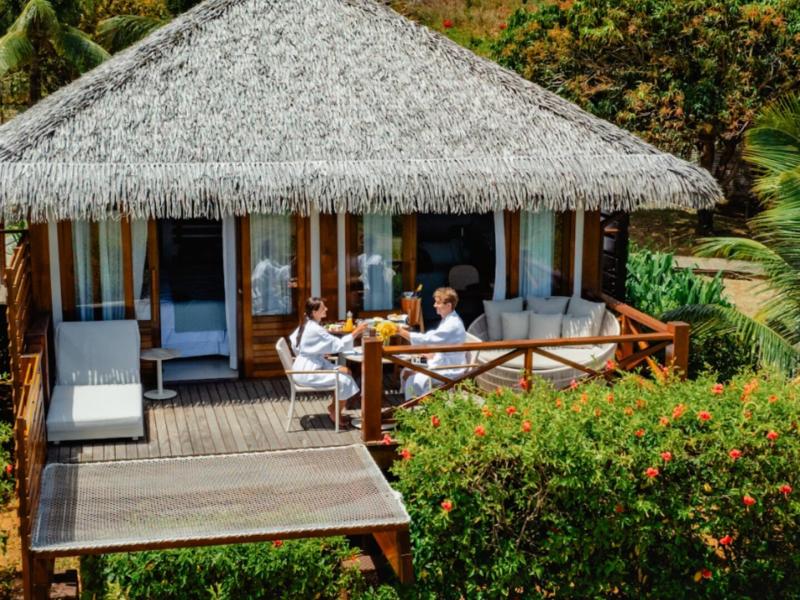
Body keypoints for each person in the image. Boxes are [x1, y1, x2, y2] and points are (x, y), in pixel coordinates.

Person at [289, 297, 368, 426]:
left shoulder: (307, 324)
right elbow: (340, 344)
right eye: (322, 308)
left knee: (347, 371)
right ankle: (335, 411)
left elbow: (295, 345)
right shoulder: (316, 329)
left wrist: (317, 351)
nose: (326, 309)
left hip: (303, 368)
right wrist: (357, 331)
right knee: (346, 380)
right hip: (308, 373)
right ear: (314, 312)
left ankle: (334, 407)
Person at [397, 287, 467, 400]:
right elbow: (440, 343)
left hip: (450, 368)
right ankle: (409, 402)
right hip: (441, 360)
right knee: (406, 370)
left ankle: (414, 408)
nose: (434, 305)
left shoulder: (452, 324)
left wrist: (400, 331)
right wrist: (431, 354)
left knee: (411, 377)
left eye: (438, 303)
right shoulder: (447, 319)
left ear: (448, 306)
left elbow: (428, 339)